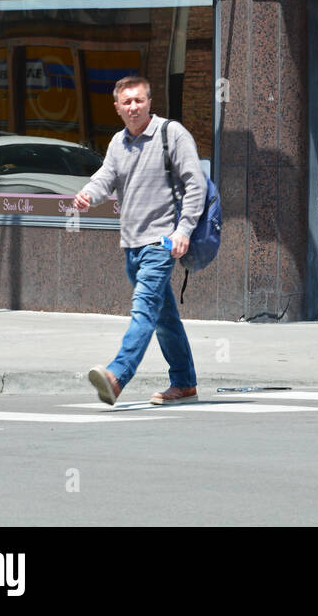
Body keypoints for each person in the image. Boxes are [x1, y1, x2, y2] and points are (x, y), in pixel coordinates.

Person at [75, 76, 207, 406]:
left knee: (144, 310)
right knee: (164, 318)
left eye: (139, 100)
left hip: (161, 242)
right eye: (127, 102)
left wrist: (183, 230)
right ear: (117, 107)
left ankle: (116, 377)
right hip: (131, 244)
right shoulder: (118, 143)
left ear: (149, 103)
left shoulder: (170, 134)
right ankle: (185, 382)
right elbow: (106, 176)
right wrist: (88, 195)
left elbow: (196, 185)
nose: (133, 107)